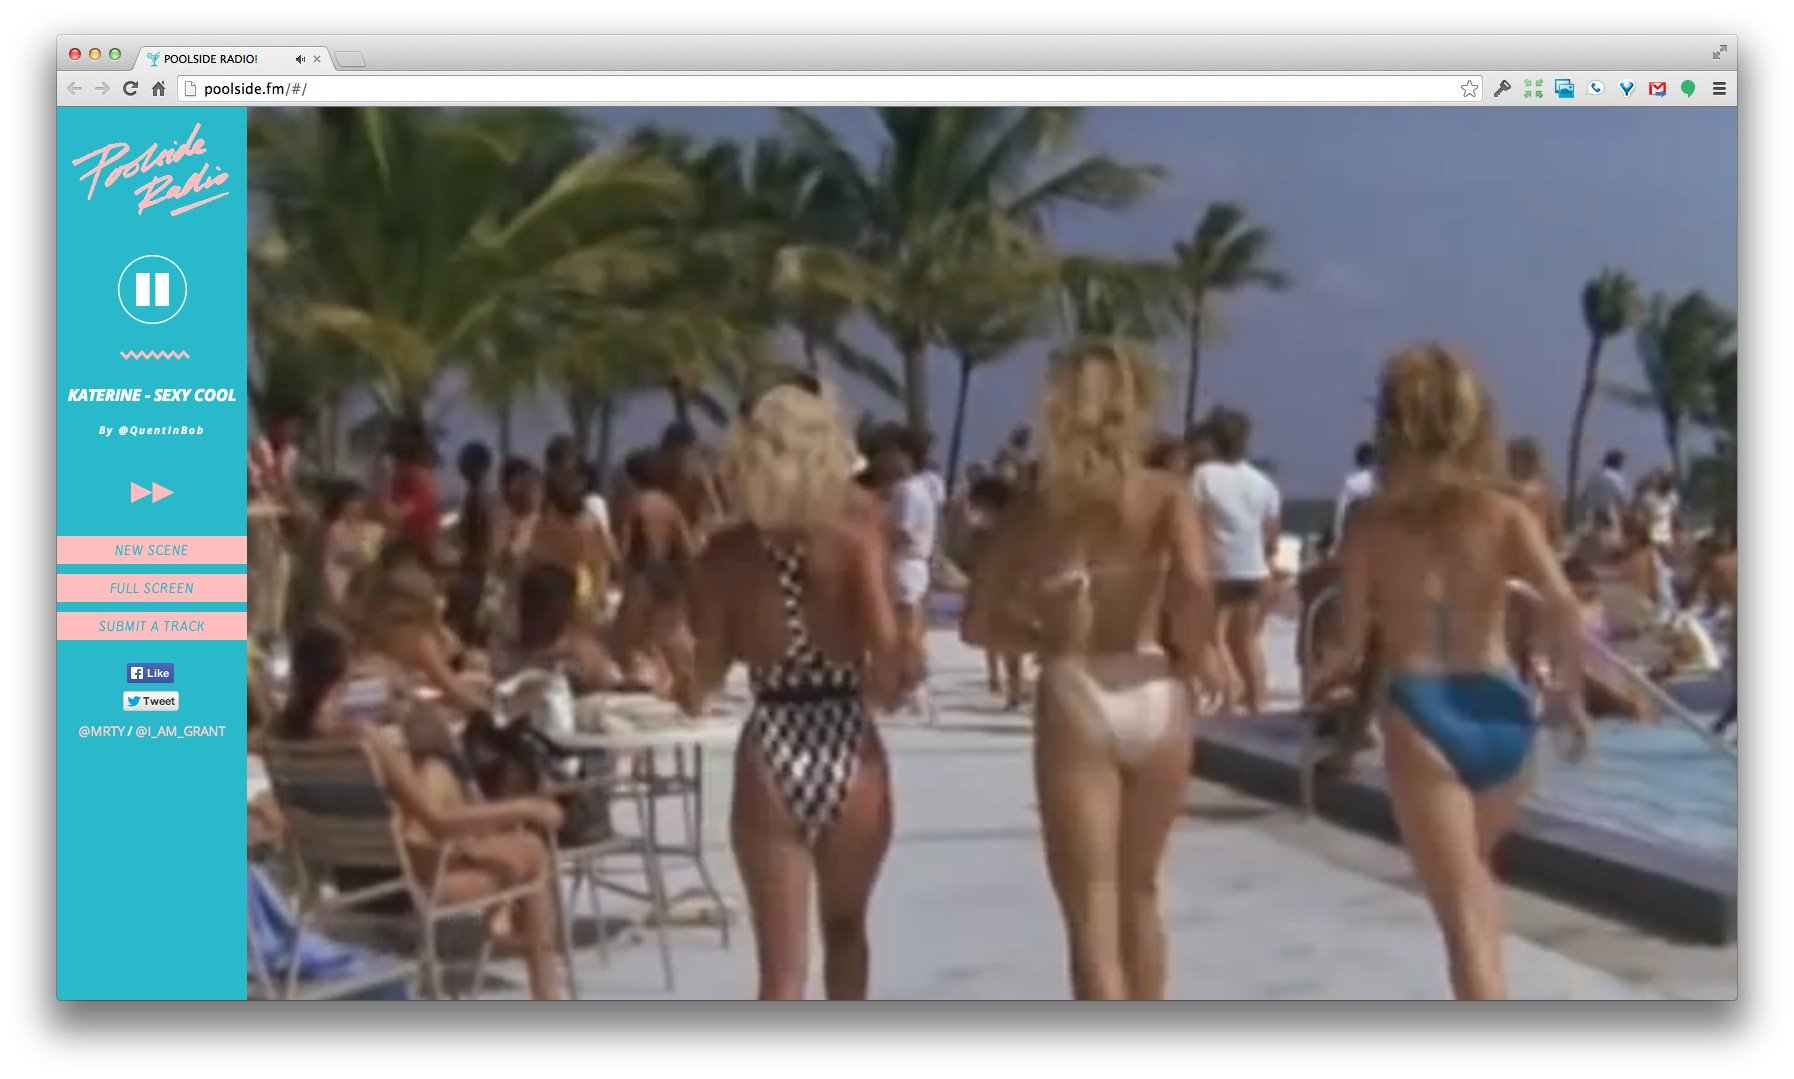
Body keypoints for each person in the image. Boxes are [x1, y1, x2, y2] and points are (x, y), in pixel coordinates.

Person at [1310, 343, 1588, 1000]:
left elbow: (1352, 642)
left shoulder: (1371, 523)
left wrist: (1325, 678)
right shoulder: (1506, 513)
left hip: (1422, 709)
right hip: (1501, 704)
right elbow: (1563, 603)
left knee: (1462, 920)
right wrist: (1567, 694)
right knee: (1476, 881)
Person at [964, 339, 1213, 1000]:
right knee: (1142, 894)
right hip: (1155, 683)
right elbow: (1195, 583)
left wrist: (1042, 633)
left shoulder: (1035, 508)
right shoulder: (1164, 495)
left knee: (1090, 919)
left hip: (1076, 686)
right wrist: (1196, 651)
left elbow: (978, 624)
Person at [677, 384, 906, 1000]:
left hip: (773, 738)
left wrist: (674, 679)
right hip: (845, 732)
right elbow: (888, 665)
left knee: (780, 974)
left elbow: (703, 680)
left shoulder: (725, 554)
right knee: (847, 935)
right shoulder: (853, 541)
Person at [275, 625, 570, 999]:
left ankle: (497, 904)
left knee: (436, 771)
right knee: (532, 850)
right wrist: (526, 807)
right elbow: (439, 823)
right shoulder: (361, 739)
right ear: (344, 678)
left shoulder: (279, 737)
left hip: (346, 881)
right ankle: (547, 993)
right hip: (403, 891)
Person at [1191, 407, 1282, 714]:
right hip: (1253, 569)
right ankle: (1259, 700)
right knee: (1247, 641)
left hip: (1218, 569)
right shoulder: (1262, 482)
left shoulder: (1203, 476)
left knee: (1213, 638)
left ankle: (1230, 698)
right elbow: (1271, 530)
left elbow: (1193, 521)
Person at [613, 449, 698, 693]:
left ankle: (644, 677)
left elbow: (625, 548)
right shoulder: (669, 505)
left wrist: (621, 575)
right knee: (665, 638)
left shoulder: (634, 504)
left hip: (642, 578)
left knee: (630, 643)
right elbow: (687, 549)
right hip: (668, 578)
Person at [881, 426, 940, 721]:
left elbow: (902, 533)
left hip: (905, 564)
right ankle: (912, 688)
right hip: (916, 565)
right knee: (910, 631)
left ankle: (915, 688)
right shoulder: (924, 487)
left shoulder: (906, 490)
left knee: (906, 633)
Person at [445, 442, 498, 645]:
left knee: (469, 624)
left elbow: (479, 538)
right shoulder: (484, 497)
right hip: (479, 568)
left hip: (476, 568)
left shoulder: (477, 498)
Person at [383, 419, 442, 566]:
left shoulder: (417, 476)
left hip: (416, 548)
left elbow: (400, 513)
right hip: (409, 544)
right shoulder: (406, 475)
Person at [1504, 437, 1563, 552]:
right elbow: (1555, 534)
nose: (1509, 463)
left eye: (1514, 458)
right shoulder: (1549, 489)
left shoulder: (1511, 492)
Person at [1333, 441, 1377, 544]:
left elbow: (1341, 512)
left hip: (1355, 532)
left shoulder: (1349, 482)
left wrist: (1338, 536)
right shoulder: (1377, 482)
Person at [1577, 449, 1629, 529]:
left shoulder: (1593, 473)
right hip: (1607, 514)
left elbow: (1584, 494)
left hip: (1590, 513)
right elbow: (1621, 499)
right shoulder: (1618, 478)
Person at [1635, 469, 1679, 551]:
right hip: (1651, 539)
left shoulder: (1673, 497)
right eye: (1665, 482)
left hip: (1666, 539)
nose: (1668, 486)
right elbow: (1641, 517)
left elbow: (1675, 516)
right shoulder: (1648, 498)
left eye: (1670, 484)